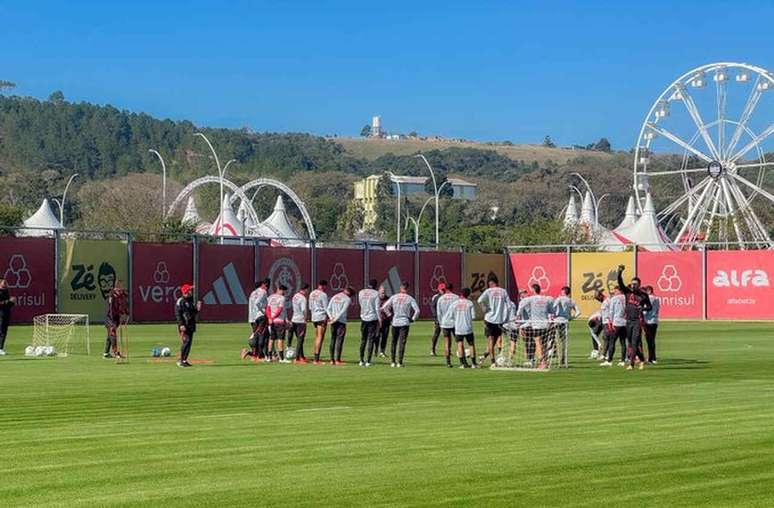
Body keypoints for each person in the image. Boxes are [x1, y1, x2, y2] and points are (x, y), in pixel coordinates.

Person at [617, 266, 652, 370]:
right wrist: (619, 272)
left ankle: (631, 364)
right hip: (628, 320)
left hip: (637, 320)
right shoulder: (627, 292)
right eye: (632, 284)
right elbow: (620, 282)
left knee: (635, 341)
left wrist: (643, 308)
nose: (633, 285)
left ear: (639, 285)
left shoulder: (643, 295)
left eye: (635, 284)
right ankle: (641, 359)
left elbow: (649, 306)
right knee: (631, 343)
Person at [381, 281, 420, 368]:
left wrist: (390, 315)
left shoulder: (394, 297)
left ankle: (392, 362)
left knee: (394, 342)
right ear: (407, 289)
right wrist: (413, 319)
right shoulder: (410, 298)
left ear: (401, 288)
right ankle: (400, 362)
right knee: (402, 342)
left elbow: (384, 307)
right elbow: (417, 311)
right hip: (404, 322)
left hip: (395, 322)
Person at [516, 284, 554, 369]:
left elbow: (521, 304)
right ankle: (545, 361)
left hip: (536, 324)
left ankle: (542, 362)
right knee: (543, 344)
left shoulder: (531, 299)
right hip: (545, 324)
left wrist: (517, 315)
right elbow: (552, 311)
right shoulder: (546, 299)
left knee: (538, 343)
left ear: (533, 290)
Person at [477, 274, 512, 367]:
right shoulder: (503, 291)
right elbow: (509, 306)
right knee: (493, 341)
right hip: (500, 320)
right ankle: (491, 360)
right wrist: (507, 318)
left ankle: (490, 360)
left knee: (491, 342)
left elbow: (479, 300)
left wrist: (485, 309)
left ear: (490, 283)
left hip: (490, 319)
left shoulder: (489, 291)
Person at [447, 287, 477, 368]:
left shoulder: (454, 304)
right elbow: (473, 316)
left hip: (458, 328)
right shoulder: (470, 303)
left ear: (461, 294)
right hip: (468, 327)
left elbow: (450, 316)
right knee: (471, 345)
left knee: (459, 344)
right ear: (468, 294)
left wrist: (457, 319)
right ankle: (474, 363)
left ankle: (462, 364)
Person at [175, 283, 201, 367]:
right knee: (186, 342)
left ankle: (185, 360)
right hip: (184, 325)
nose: (191, 291)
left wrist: (197, 309)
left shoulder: (190, 300)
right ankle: (180, 360)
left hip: (190, 324)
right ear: (186, 291)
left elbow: (193, 313)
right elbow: (178, 314)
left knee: (189, 343)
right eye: (190, 290)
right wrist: (181, 324)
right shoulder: (181, 301)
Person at [326, 286, 354, 365]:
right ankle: (338, 360)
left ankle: (331, 360)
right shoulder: (347, 299)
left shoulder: (335, 296)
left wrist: (331, 318)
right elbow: (342, 311)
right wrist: (335, 319)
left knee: (333, 339)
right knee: (340, 340)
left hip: (333, 321)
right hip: (341, 321)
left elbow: (328, 309)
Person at [243, 279, 269, 360]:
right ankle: (258, 355)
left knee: (257, 335)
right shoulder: (263, 292)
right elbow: (257, 303)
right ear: (263, 285)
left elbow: (252, 305)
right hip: (259, 316)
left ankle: (256, 354)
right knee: (261, 335)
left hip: (252, 317)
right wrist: (263, 311)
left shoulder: (253, 293)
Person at [358, 279, 381, 366]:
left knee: (363, 339)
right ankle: (368, 361)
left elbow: (361, 303)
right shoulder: (376, 294)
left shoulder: (361, 292)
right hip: (372, 319)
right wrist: (380, 319)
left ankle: (361, 360)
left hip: (363, 318)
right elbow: (377, 308)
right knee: (371, 340)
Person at [436, 283, 459, 368]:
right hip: (454, 322)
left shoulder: (441, 298)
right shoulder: (456, 297)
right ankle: (462, 361)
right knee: (459, 342)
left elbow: (439, 313)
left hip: (444, 323)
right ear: (452, 288)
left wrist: (441, 322)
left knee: (447, 342)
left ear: (445, 289)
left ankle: (448, 362)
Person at [103, 280, 129, 359]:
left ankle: (106, 353)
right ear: (116, 286)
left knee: (109, 336)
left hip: (117, 318)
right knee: (112, 334)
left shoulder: (122, 294)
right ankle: (116, 353)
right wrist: (112, 319)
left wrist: (126, 314)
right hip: (110, 318)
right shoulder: (112, 295)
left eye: (122, 286)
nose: (121, 287)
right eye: (119, 286)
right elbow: (111, 308)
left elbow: (124, 304)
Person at [266, 285, 290, 363]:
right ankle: (282, 358)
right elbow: (279, 310)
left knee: (271, 339)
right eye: (283, 290)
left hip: (272, 321)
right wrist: (273, 318)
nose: (283, 292)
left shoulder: (270, 297)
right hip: (279, 321)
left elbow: (268, 309)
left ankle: (269, 357)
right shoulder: (282, 298)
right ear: (278, 289)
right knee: (280, 339)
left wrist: (270, 318)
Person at [310, 280, 330, 365]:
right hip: (321, 316)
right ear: (324, 286)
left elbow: (310, 306)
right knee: (320, 337)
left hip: (314, 316)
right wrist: (330, 317)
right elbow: (326, 308)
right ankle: (316, 359)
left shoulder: (312, 293)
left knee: (317, 337)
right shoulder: (323, 295)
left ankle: (316, 356)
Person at [290, 283, 310, 363]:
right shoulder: (303, 298)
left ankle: (301, 356)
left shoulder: (295, 296)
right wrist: (305, 319)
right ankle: (297, 358)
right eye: (308, 289)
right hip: (300, 320)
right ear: (305, 289)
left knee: (299, 339)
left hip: (294, 319)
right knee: (300, 340)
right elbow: (304, 310)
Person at [643, 285, 660, 364]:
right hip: (655, 321)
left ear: (648, 291)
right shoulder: (657, 298)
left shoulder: (649, 298)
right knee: (652, 340)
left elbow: (646, 310)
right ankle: (653, 358)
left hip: (648, 321)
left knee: (649, 340)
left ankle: (650, 358)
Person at [0, 277, 16, 355]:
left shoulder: (6, 291)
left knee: (4, 332)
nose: (6, 284)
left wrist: (12, 302)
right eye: (4, 282)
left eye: (6, 283)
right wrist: (8, 301)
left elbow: (7, 305)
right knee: (1, 331)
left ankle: (1, 348)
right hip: (1, 314)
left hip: (6, 314)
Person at [429, 283, 445, 356]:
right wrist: (435, 317)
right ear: (438, 289)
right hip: (438, 319)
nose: (443, 291)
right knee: (436, 334)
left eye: (444, 289)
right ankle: (432, 349)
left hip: (446, 319)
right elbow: (432, 307)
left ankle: (448, 350)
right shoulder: (436, 297)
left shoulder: (447, 296)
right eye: (442, 289)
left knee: (448, 335)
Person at [377, 285, 391, 357]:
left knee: (384, 336)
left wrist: (390, 316)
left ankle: (382, 351)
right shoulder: (376, 299)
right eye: (382, 292)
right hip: (377, 321)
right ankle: (375, 349)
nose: (383, 294)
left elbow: (391, 309)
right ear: (379, 291)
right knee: (376, 336)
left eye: (384, 292)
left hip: (386, 320)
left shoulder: (388, 299)